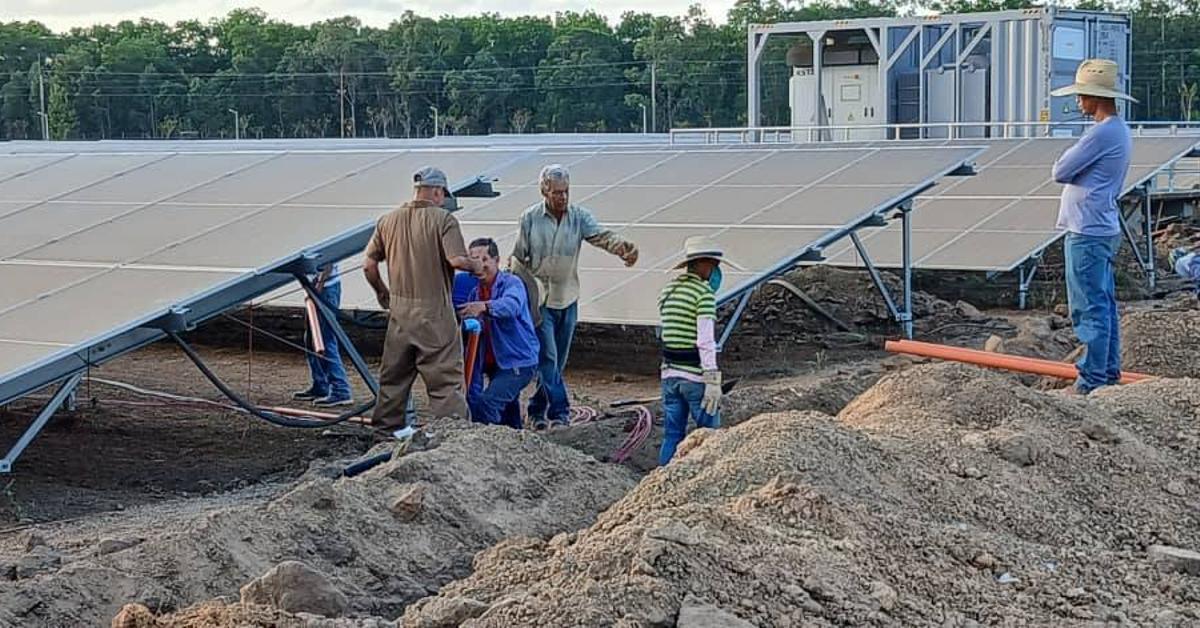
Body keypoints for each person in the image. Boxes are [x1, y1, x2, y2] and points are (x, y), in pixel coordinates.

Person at [510, 164, 639, 429]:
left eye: (566, 192)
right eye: (557, 192)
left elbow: (601, 236)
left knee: (558, 362)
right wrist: (520, 291)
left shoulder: (579, 217)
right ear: (544, 191)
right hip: (541, 301)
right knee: (548, 359)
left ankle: (536, 410)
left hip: (568, 296)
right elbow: (518, 257)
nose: (563, 197)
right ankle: (560, 413)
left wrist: (622, 248)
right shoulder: (530, 218)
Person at [363, 166, 482, 436]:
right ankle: (453, 436)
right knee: (444, 381)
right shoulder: (443, 220)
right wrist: (477, 267)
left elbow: (369, 265)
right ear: (438, 192)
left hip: (400, 314)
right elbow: (456, 260)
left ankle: (385, 433)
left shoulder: (387, 220)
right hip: (435, 315)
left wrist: (383, 294)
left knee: (393, 379)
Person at [1049, 58, 1134, 395]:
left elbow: (1061, 170)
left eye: (1082, 95)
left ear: (1095, 97)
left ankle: (1092, 380)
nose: (1078, 102)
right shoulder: (1118, 131)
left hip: (1088, 232)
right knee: (1103, 303)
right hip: (1100, 227)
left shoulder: (1101, 134)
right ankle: (1107, 374)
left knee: (1089, 307)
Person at [459, 238, 540, 429]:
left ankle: (484, 448)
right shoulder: (474, 293)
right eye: (474, 260)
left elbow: (511, 305)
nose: (480, 265)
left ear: (497, 260)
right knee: (506, 411)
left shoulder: (512, 283)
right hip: (493, 363)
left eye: (484, 259)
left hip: (517, 361)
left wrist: (485, 307)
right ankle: (516, 443)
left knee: (487, 405)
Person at [657, 236, 724, 465]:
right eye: (714, 265)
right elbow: (705, 342)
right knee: (709, 437)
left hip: (669, 375)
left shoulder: (668, 292)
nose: (715, 270)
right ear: (703, 264)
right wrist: (712, 380)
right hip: (694, 378)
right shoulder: (703, 296)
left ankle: (661, 482)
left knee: (672, 435)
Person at [292, 262, 353, 406]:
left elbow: (328, 262)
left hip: (325, 288)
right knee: (311, 339)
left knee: (325, 340)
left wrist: (318, 286)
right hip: (316, 287)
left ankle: (340, 389)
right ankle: (321, 384)